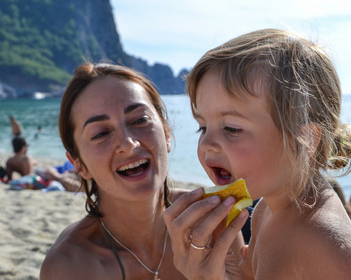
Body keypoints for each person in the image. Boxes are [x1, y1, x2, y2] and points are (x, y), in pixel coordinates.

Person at [163, 29, 351, 279]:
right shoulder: (265, 211)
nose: (207, 143)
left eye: (232, 128)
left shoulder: (323, 242)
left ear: (305, 140)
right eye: (203, 127)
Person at [39, 63, 242, 279]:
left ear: (166, 133)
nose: (128, 143)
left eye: (139, 120)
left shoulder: (212, 222)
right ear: (78, 164)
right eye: (101, 134)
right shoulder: (69, 267)